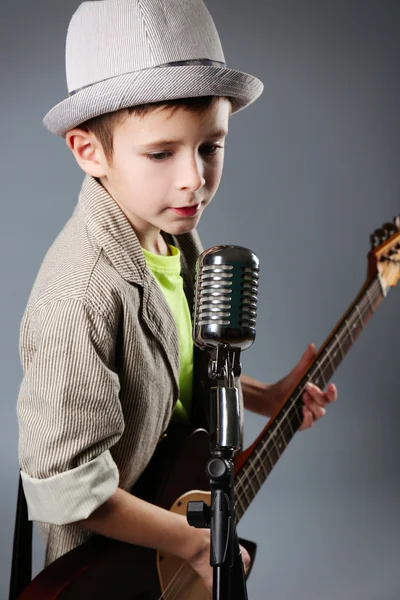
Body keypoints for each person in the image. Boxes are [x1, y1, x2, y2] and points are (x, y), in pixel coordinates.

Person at [16, 0, 337, 591]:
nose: (193, 178)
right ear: (90, 151)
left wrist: (268, 397)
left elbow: (175, 371)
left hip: (179, 519)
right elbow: (72, 491)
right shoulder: (79, 297)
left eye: (210, 146)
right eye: (162, 153)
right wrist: (196, 544)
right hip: (120, 570)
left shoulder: (173, 237)